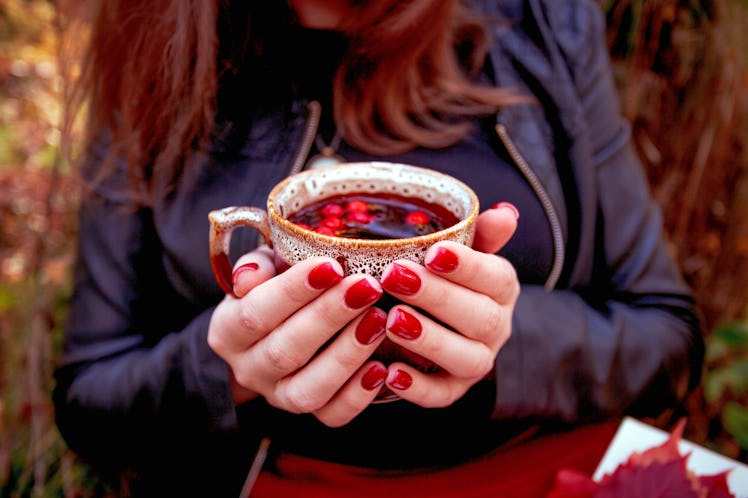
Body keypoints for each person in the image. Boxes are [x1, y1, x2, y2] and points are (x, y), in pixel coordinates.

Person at [53, 0, 704, 496]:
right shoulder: (152, 37)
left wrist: (500, 346)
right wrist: (230, 366)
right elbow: (90, 403)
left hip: (548, 464)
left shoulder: (542, 19)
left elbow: (668, 336)